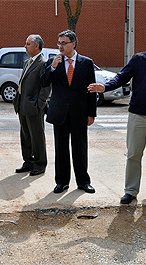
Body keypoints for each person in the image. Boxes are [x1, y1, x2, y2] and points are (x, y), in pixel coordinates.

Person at [88, 29, 146, 205]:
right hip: (137, 115)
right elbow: (121, 77)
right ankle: (130, 191)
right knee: (133, 154)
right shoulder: (139, 60)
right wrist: (105, 87)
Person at [40, 30, 97, 194]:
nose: (60, 46)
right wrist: (52, 67)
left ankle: (83, 182)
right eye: (59, 43)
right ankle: (62, 182)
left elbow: (91, 90)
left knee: (80, 148)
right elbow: (43, 82)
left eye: (64, 43)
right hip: (60, 113)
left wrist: (91, 113)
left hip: (80, 112)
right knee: (61, 149)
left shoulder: (86, 63)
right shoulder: (53, 62)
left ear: (74, 43)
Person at [13, 34, 51, 176]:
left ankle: (40, 164)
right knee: (25, 135)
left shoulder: (43, 63)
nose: (25, 46)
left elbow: (46, 87)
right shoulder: (27, 62)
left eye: (28, 44)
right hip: (22, 104)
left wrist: (39, 104)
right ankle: (28, 162)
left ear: (36, 46)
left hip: (34, 107)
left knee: (37, 136)